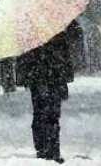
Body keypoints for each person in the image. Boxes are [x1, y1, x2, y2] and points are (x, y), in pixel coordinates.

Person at [16, 19, 82, 162]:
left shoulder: (29, 17)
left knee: (44, 110)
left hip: (43, 71)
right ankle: (48, 148)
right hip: (49, 70)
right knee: (49, 111)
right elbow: (76, 34)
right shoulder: (56, 15)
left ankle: (46, 148)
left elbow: (75, 33)